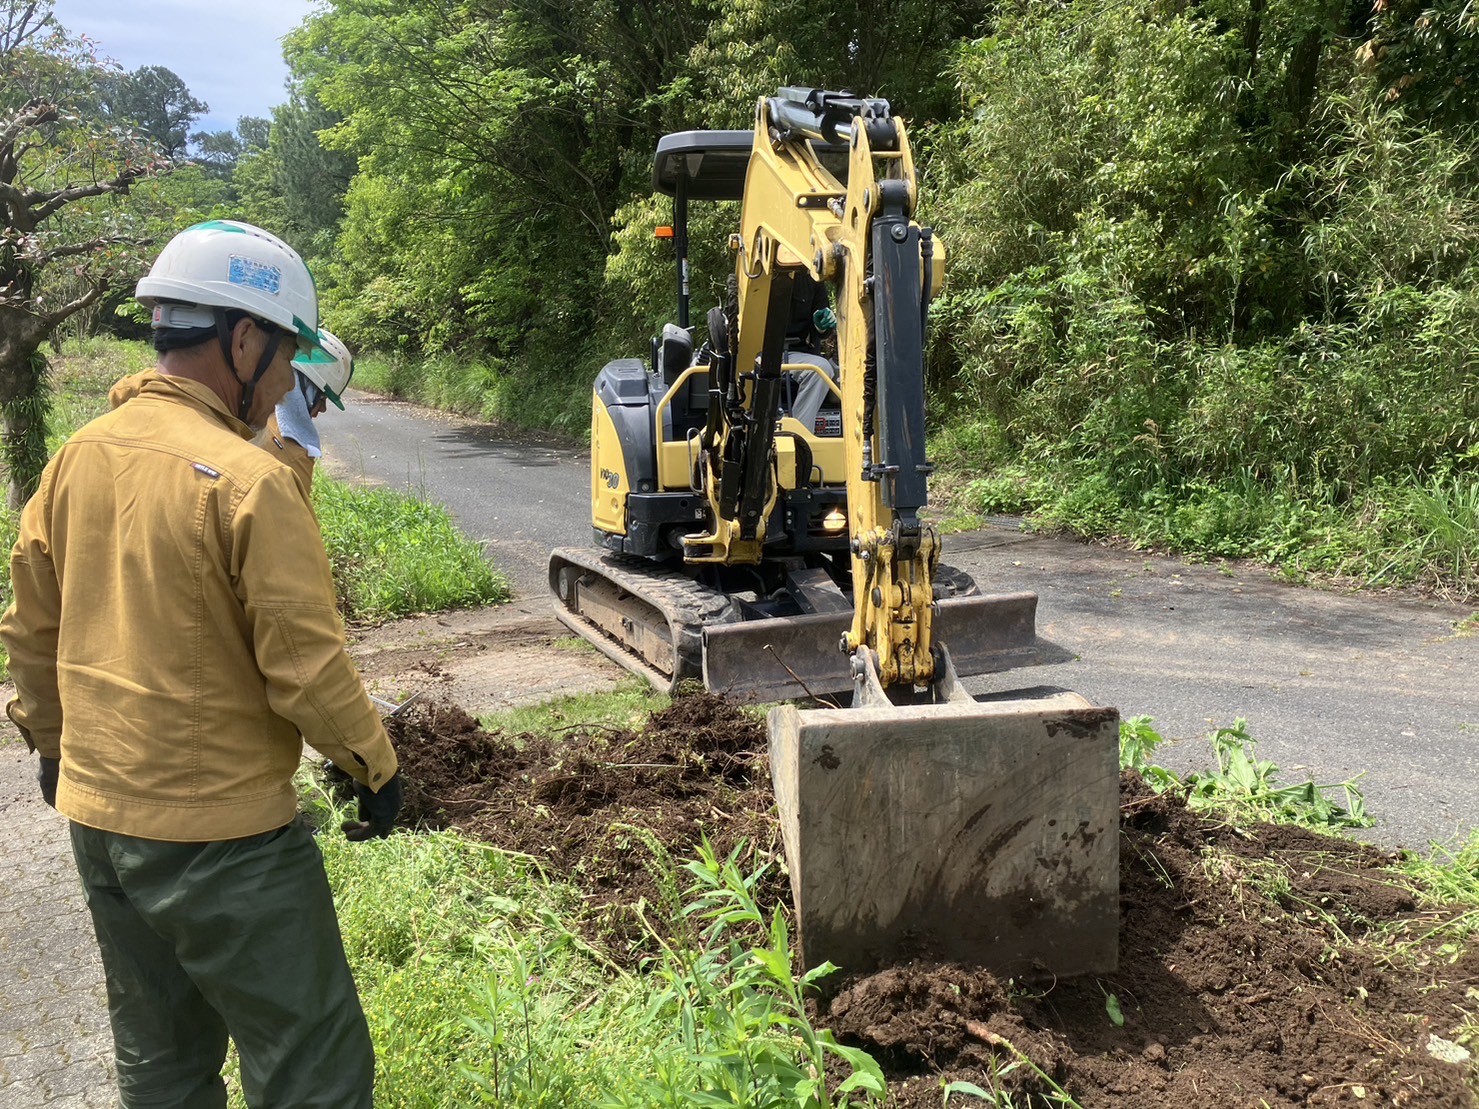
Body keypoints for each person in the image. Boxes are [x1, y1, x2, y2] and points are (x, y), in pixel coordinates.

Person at [0, 219, 401, 1109]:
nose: (287, 385)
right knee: (313, 1068)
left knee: (161, 1060)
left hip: (100, 823)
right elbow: (305, 665)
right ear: (243, 337)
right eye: (286, 354)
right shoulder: (250, 482)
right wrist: (372, 764)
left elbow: (30, 630)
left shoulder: (73, 458)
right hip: (226, 839)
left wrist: (53, 743)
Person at [263, 327, 356, 490]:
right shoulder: (293, 457)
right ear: (302, 386)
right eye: (321, 398)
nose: (323, 408)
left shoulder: (247, 418)